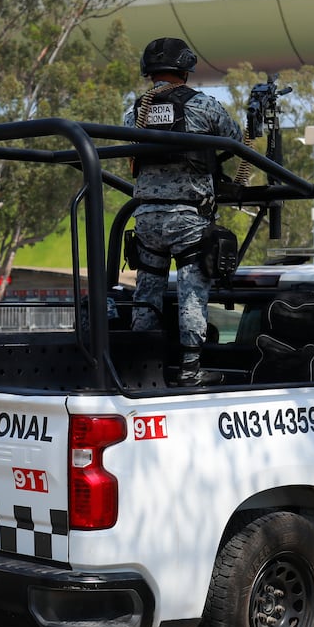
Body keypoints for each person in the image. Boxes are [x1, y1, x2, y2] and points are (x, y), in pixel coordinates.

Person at [124, 37, 243, 386]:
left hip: (145, 217)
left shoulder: (135, 110)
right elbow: (234, 137)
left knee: (147, 291)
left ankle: (142, 367)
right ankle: (190, 369)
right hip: (187, 218)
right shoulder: (203, 105)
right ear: (186, 69)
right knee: (192, 290)